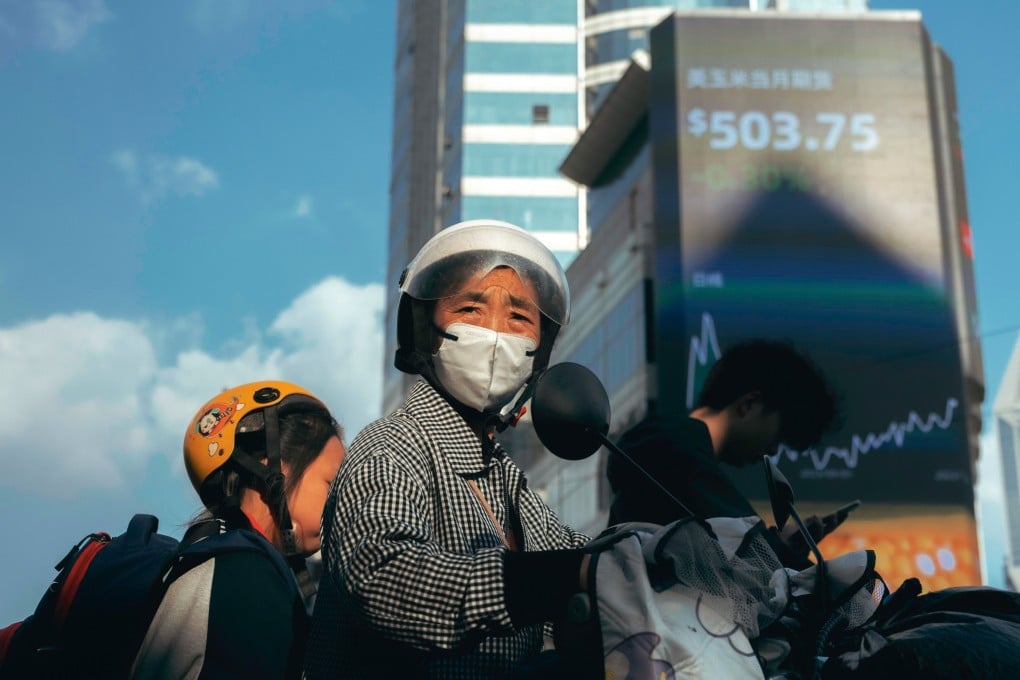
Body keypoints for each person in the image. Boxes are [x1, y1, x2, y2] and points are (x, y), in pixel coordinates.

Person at [305, 220, 590, 678]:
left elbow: (580, 554)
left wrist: (656, 552)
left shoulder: (503, 478)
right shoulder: (392, 445)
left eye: (519, 317)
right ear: (425, 327)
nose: (496, 334)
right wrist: (563, 576)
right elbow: (383, 576)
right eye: (471, 309)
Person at [131, 380, 345, 679]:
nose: (341, 501)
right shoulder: (247, 572)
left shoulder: (212, 557)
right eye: (331, 483)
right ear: (275, 470)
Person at [606, 339, 839, 569]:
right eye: (779, 435)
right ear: (749, 404)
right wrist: (779, 550)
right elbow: (748, 552)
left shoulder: (672, 447)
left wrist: (781, 545)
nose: (774, 450)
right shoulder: (670, 449)